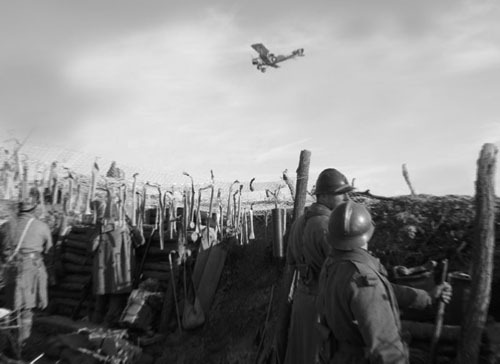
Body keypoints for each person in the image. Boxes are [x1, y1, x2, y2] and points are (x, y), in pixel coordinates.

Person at [317, 201, 452, 363]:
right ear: (367, 235)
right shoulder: (362, 277)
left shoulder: (332, 264)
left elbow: (383, 290)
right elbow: (386, 350)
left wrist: (426, 297)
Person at [283, 168, 354, 364]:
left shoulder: (298, 223)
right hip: (322, 307)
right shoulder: (328, 226)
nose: (346, 198)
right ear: (323, 196)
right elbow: (344, 273)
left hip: (301, 303)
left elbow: (290, 261)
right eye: (341, 193)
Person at [0, 195, 52, 344]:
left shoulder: (6, 226)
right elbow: (49, 249)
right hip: (31, 268)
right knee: (26, 308)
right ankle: (22, 343)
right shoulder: (42, 226)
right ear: (34, 208)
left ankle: (5, 341)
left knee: (10, 306)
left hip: (10, 269)